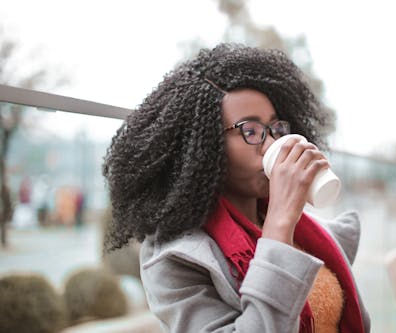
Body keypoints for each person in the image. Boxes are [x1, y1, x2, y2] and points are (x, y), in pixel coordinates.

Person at [103, 43, 370, 333]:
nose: (271, 145)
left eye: (275, 129)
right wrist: (280, 223)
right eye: (250, 131)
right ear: (204, 148)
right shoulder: (174, 258)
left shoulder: (303, 230)